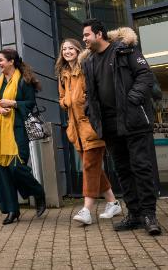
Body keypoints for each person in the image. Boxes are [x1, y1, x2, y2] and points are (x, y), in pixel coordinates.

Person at [82, 19, 161, 236]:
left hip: (134, 121)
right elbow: (90, 92)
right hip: (109, 126)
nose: (84, 40)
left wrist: (131, 100)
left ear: (99, 34)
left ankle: (149, 215)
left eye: (86, 35)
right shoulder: (88, 62)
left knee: (141, 168)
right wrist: (90, 109)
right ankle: (134, 215)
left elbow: (145, 76)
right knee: (123, 171)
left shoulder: (125, 50)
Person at [56, 38, 122, 225]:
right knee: (93, 168)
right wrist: (65, 102)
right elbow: (61, 98)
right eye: (64, 49)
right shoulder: (63, 74)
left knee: (89, 167)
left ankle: (86, 210)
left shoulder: (87, 67)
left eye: (70, 48)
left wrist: (83, 100)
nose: (67, 51)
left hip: (92, 126)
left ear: (78, 50)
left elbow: (96, 91)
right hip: (75, 129)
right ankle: (113, 202)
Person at [0, 47, 46, 224]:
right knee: (3, 170)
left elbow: (31, 103)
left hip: (18, 129)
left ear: (11, 61)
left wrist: (13, 103)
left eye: (1, 60)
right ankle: (12, 210)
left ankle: (37, 191)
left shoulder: (23, 81)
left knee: (17, 167)